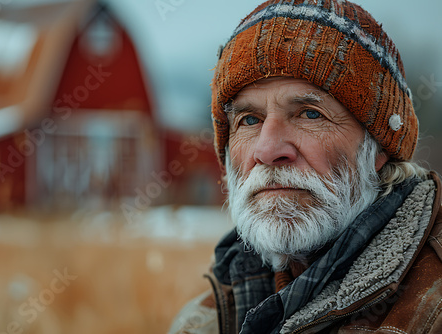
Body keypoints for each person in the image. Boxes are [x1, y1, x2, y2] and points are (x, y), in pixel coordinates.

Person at [169, 0, 442, 333]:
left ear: (379, 148)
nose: (267, 150)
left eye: (310, 114)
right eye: (249, 119)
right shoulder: (206, 317)